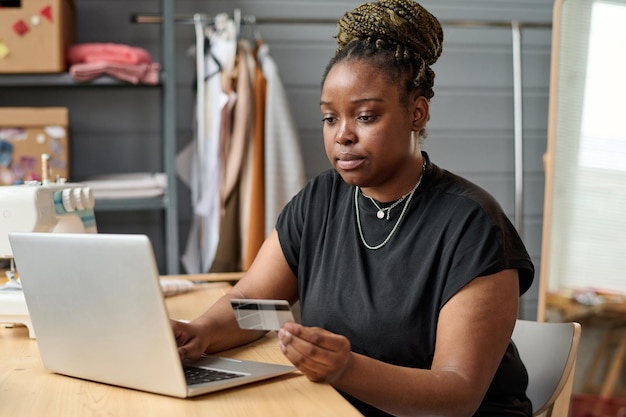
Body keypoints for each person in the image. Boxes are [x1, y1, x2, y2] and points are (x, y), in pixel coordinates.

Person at [172, 1, 535, 416]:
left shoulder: (471, 225)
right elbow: (257, 306)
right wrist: (198, 332)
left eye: (365, 116)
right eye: (330, 119)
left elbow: (457, 394)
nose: (342, 136)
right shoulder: (319, 202)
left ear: (416, 113)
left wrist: (345, 367)